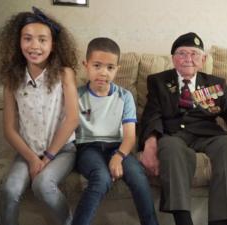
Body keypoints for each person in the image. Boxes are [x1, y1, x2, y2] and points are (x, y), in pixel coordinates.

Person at [139, 32, 227, 225]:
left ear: (203, 59)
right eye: (181, 53)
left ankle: (223, 221)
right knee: (170, 148)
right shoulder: (159, 81)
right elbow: (152, 113)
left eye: (194, 54)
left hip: (208, 134)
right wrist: (150, 142)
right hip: (175, 135)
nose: (188, 59)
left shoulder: (214, 83)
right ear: (173, 58)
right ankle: (183, 220)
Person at [0, 7, 79, 225]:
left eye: (42, 40)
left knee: (42, 185)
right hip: (27, 151)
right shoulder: (12, 78)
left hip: (62, 151)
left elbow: (72, 119)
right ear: (17, 42)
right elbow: (9, 129)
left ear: (53, 45)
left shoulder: (64, 73)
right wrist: (33, 159)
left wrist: (48, 157)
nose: (34, 46)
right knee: (9, 189)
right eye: (28, 39)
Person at [72, 37, 158, 225]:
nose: (103, 73)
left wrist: (118, 156)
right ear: (86, 65)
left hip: (118, 147)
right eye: (97, 66)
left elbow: (129, 136)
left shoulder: (124, 96)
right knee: (101, 178)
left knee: (138, 176)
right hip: (88, 148)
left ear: (117, 69)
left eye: (110, 67)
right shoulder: (76, 95)